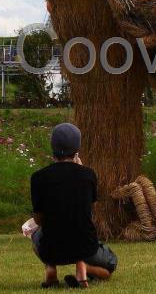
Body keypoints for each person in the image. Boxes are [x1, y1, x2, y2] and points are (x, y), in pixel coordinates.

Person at [30, 123, 117, 288]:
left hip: (51, 247)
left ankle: (50, 268)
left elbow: (39, 219)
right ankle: (84, 267)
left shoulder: (38, 178)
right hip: (84, 246)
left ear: (52, 146)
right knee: (110, 263)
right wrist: (81, 169)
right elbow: (85, 211)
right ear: (77, 147)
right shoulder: (88, 175)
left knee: (35, 234)